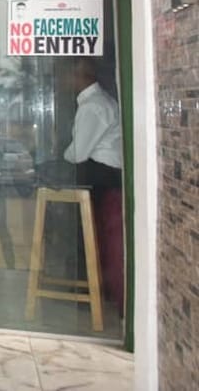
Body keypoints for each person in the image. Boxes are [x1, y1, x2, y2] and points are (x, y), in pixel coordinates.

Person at [63, 58, 124, 312]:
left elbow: (78, 153)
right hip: (107, 175)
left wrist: (57, 161)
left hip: (102, 176)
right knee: (102, 236)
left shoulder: (93, 106)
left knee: (99, 237)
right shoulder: (101, 102)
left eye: (68, 75)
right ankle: (98, 292)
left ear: (80, 75)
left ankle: (95, 294)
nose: (65, 81)